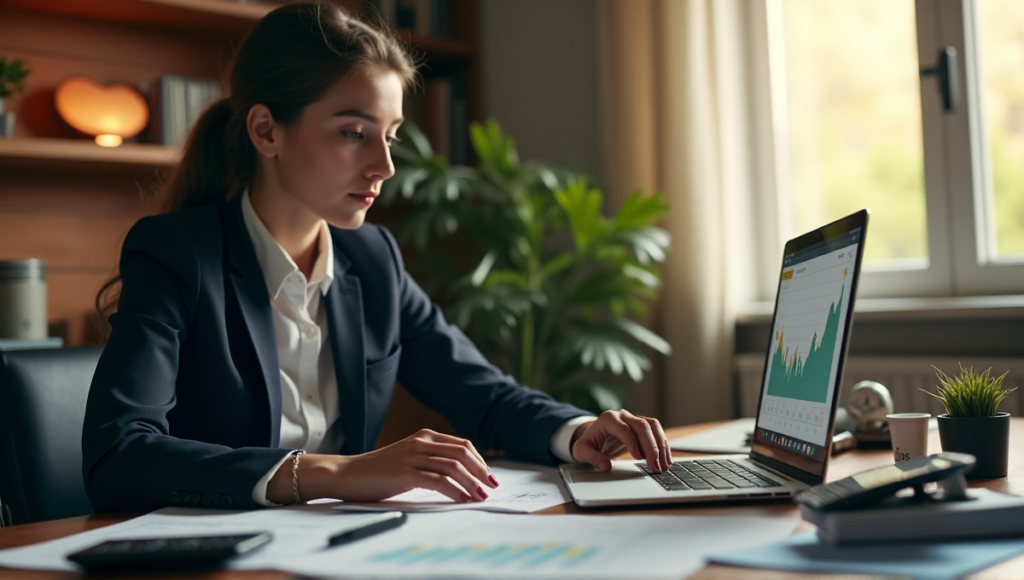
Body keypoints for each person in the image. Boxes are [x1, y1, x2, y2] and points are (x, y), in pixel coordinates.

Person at [82, 1, 672, 512]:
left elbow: (484, 395)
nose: (384, 167)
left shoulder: (373, 258)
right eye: (352, 132)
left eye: (388, 136)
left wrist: (577, 430)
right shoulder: (178, 254)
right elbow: (119, 455)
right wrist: (337, 472)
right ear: (266, 131)